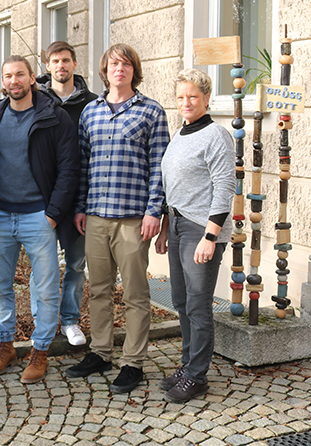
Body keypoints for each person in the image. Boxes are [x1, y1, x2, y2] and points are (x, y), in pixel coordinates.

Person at [67, 43, 170, 394]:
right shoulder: (90, 112)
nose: (119, 69)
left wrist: (153, 211)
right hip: (96, 216)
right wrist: (80, 206)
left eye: (126, 64)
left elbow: (160, 167)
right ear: (105, 70)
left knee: (136, 294)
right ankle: (100, 352)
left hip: (132, 219)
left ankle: (133, 362)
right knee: (97, 290)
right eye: (113, 63)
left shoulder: (151, 112)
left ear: (133, 71)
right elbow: (83, 165)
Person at [0, 55, 79, 384]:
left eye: (19, 74)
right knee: (1, 287)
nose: (14, 81)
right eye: (8, 76)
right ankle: (5, 346)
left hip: (39, 215)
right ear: (3, 82)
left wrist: (52, 215)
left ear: (32, 77)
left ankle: (40, 351)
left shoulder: (55, 117)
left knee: (46, 288)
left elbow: (68, 169)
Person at [154, 68, 234, 403]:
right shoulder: (181, 134)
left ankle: (197, 376)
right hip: (177, 225)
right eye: (181, 97)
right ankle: (188, 366)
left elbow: (225, 188)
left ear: (206, 98)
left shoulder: (217, 135)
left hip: (202, 228)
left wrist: (210, 236)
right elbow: (172, 185)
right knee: (182, 300)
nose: (186, 102)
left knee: (198, 305)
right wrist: (163, 228)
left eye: (193, 97)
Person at [34, 41, 98, 346]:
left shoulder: (93, 103)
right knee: (41, 267)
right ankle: (42, 321)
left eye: (66, 60)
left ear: (74, 64)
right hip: (42, 198)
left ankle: (70, 321)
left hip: (79, 198)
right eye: (55, 61)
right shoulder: (35, 101)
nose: (61, 66)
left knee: (75, 264)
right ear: (47, 66)